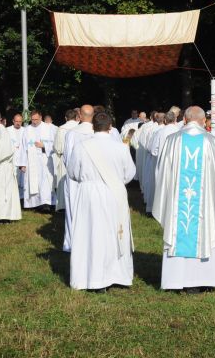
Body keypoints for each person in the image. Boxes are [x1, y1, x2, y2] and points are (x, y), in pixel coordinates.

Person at [152, 106, 215, 291]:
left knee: (178, 227)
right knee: (206, 228)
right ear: (204, 121)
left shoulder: (172, 141)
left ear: (185, 120)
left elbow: (162, 174)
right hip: (205, 204)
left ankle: (176, 280)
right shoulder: (212, 142)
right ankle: (205, 278)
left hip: (177, 204)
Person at [67, 112, 136, 290]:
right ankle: (117, 275)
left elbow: (73, 172)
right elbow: (129, 174)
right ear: (110, 127)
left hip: (89, 195)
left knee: (91, 234)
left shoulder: (82, 147)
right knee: (113, 234)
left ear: (93, 126)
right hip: (114, 194)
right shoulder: (120, 147)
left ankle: (91, 277)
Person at [62, 104, 94, 252]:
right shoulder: (97, 133)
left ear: (79, 116)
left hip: (75, 177)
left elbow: (67, 158)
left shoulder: (71, 133)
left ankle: (71, 244)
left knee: (73, 209)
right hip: (94, 178)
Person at [0, 109, 22, 221]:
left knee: (1, 192)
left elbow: (6, 150)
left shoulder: (2, 131)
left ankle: (2, 215)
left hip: (3, 167)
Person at [19, 110, 56, 211]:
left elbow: (55, 145)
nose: (34, 121)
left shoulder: (48, 128)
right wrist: (22, 164)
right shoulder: (27, 130)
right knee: (32, 181)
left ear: (41, 117)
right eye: (32, 119)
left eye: (36, 119)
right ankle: (34, 203)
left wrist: (44, 145)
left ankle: (46, 204)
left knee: (45, 183)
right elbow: (23, 147)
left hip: (44, 159)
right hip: (31, 160)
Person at [145, 111, 179, 212]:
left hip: (162, 164)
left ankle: (160, 210)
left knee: (161, 187)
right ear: (176, 120)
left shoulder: (160, 132)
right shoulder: (179, 131)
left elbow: (153, 151)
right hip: (176, 164)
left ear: (165, 120)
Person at [52, 109, 79, 212]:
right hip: (77, 158)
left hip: (64, 159)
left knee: (63, 182)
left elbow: (57, 147)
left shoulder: (61, 128)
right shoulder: (79, 127)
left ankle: (63, 206)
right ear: (76, 117)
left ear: (65, 118)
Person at [142, 112, 165, 214]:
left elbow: (150, 147)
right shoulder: (174, 130)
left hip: (154, 159)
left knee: (153, 183)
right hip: (160, 160)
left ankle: (153, 206)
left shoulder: (153, 129)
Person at [7, 114, 25, 200]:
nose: (18, 123)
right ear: (13, 121)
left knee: (22, 179)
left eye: (20, 121)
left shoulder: (25, 130)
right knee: (12, 179)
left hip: (22, 157)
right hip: (12, 158)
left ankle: (21, 198)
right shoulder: (7, 130)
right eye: (16, 121)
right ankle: (12, 198)